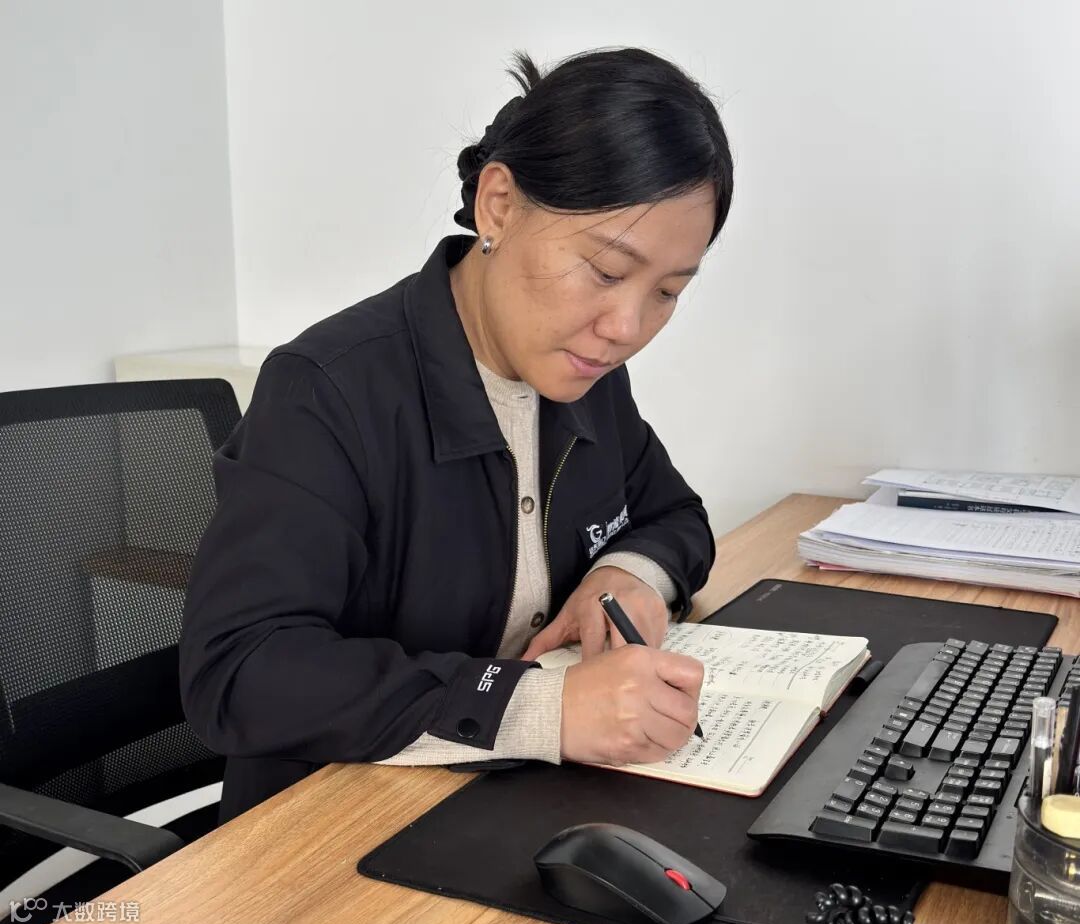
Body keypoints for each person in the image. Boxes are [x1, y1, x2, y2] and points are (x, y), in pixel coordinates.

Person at [179, 46, 734, 823]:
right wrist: (544, 706)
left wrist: (628, 575)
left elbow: (674, 515)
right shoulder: (328, 390)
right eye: (608, 271)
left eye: (668, 291)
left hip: (500, 802)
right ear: (498, 204)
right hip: (330, 828)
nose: (626, 327)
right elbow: (240, 671)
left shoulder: (586, 374)